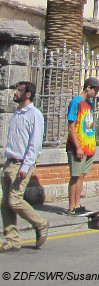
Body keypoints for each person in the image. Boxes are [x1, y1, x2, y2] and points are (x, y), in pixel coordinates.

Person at [2, 81, 48, 252]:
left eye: (18, 91)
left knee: (15, 201)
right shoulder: (17, 112)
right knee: (5, 204)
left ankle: (41, 223)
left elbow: (35, 144)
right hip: (9, 162)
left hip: (22, 164)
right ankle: (12, 240)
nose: (14, 93)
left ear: (28, 94)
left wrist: (26, 166)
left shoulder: (34, 115)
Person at [67, 77, 99, 215]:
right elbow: (71, 126)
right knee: (75, 176)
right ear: (87, 87)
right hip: (77, 147)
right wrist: (78, 146)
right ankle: (71, 207)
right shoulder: (76, 102)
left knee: (81, 176)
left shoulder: (89, 104)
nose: (96, 93)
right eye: (95, 90)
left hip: (88, 146)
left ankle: (78, 204)